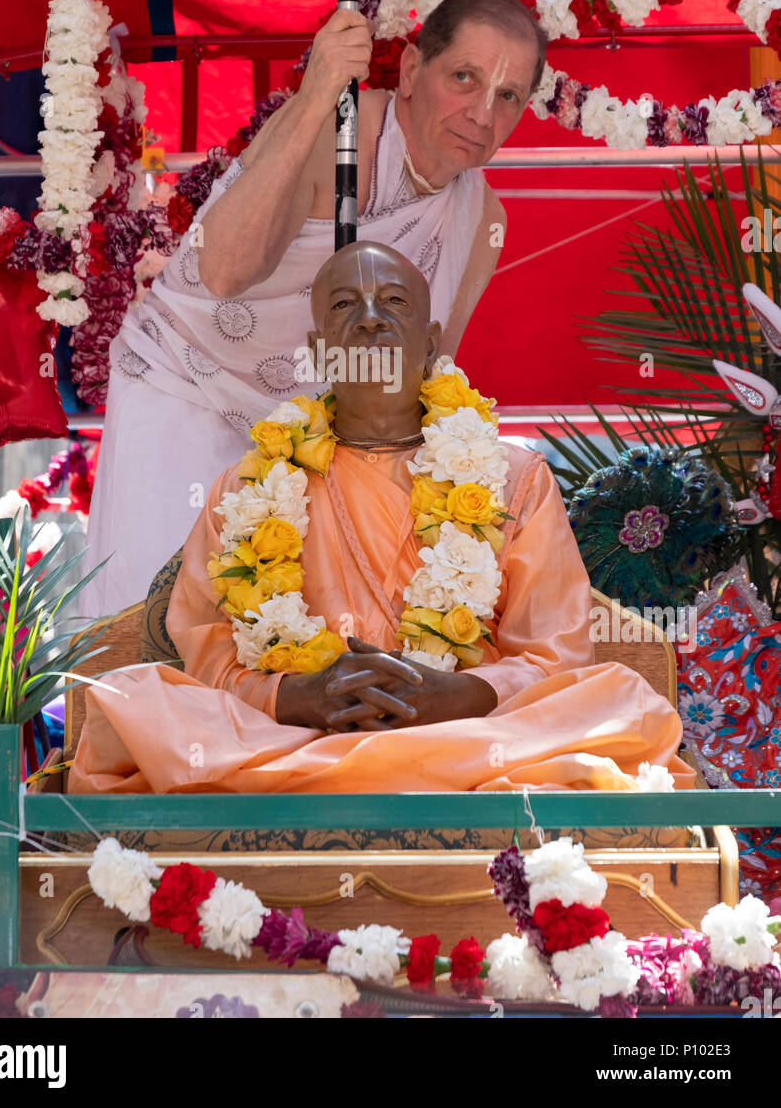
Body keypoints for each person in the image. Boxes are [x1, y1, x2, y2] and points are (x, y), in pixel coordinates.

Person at [70, 241, 694, 794]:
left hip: (466, 735)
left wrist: (448, 697)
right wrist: (298, 696)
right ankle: (370, 764)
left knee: (619, 701)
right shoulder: (249, 485)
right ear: (319, 350)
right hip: (296, 736)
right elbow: (206, 653)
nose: (370, 320)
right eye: (344, 306)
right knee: (135, 703)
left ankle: (379, 765)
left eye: (394, 301)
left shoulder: (516, 479)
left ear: (430, 342)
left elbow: (555, 657)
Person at [80, 0, 546, 619]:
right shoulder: (335, 129)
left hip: (314, 442)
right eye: (464, 78)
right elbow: (222, 270)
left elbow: (428, 375)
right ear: (411, 70)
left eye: (508, 96)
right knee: (166, 631)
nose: (482, 115)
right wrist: (317, 93)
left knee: (283, 660)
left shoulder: (480, 216)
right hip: (186, 387)